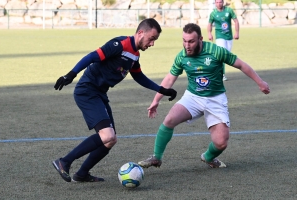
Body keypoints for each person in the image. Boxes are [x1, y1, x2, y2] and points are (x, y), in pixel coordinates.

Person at [52, 18, 177, 183]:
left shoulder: (135, 55)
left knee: (110, 140)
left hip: (100, 94)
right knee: (107, 136)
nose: (152, 43)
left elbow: (138, 76)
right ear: (141, 33)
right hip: (87, 91)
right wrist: (71, 74)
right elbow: (92, 56)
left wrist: (162, 90)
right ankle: (64, 161)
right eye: (151, 38)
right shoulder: (120, 44)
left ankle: (81, 174)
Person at [138, 23, 270, 169]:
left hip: (216, 99)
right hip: (193, 97)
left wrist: (260, 82)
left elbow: (241, 65)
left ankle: (208, 156)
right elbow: (169, 78)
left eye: (191, 41)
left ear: (200, 39)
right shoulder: (181, 56)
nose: (187, 45)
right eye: (184, 41)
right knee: (169, 120)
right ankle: (156, 157)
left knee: (221, 143)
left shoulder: (216, 51)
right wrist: (156, 100)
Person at [207, 0, 239, 81]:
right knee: (222, 55)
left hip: (229, 37)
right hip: (219, 37)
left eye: (220, 2)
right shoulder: (213, 13)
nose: (218, 4)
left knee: (226, 56)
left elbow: (236, 21)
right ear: (215, 3)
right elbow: (210, 23)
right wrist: (209, 33)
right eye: (217, 2)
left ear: (223, 2)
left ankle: (217, 71)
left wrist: (237, 32)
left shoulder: (229, 10)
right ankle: (222, 74)